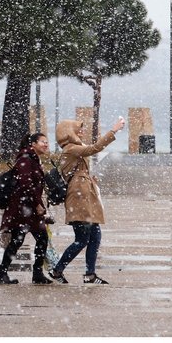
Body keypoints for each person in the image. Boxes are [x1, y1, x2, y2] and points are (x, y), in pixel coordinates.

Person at [48, 117, 125, 285]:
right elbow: (95, 148)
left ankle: (90, 274)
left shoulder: (76, 149)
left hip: (85, 198)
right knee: (82, 239)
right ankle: (57, 270)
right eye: (78, 129)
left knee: (95, 237)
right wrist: (114, 130)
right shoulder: (70, 149)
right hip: (79, 199)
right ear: (69, 132)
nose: (82, 131)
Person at [0, 132, 53, 285]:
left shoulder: (32, 158)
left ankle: (33, 274)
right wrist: (38, 204)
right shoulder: (26, 159)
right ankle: (5, 274)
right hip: (23, 209)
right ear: (32, 143)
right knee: (23, 240)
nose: (46, 144)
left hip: (28, 209)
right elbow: (26, 185)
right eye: (42, 141)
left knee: (34, 239)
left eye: (47, 142)